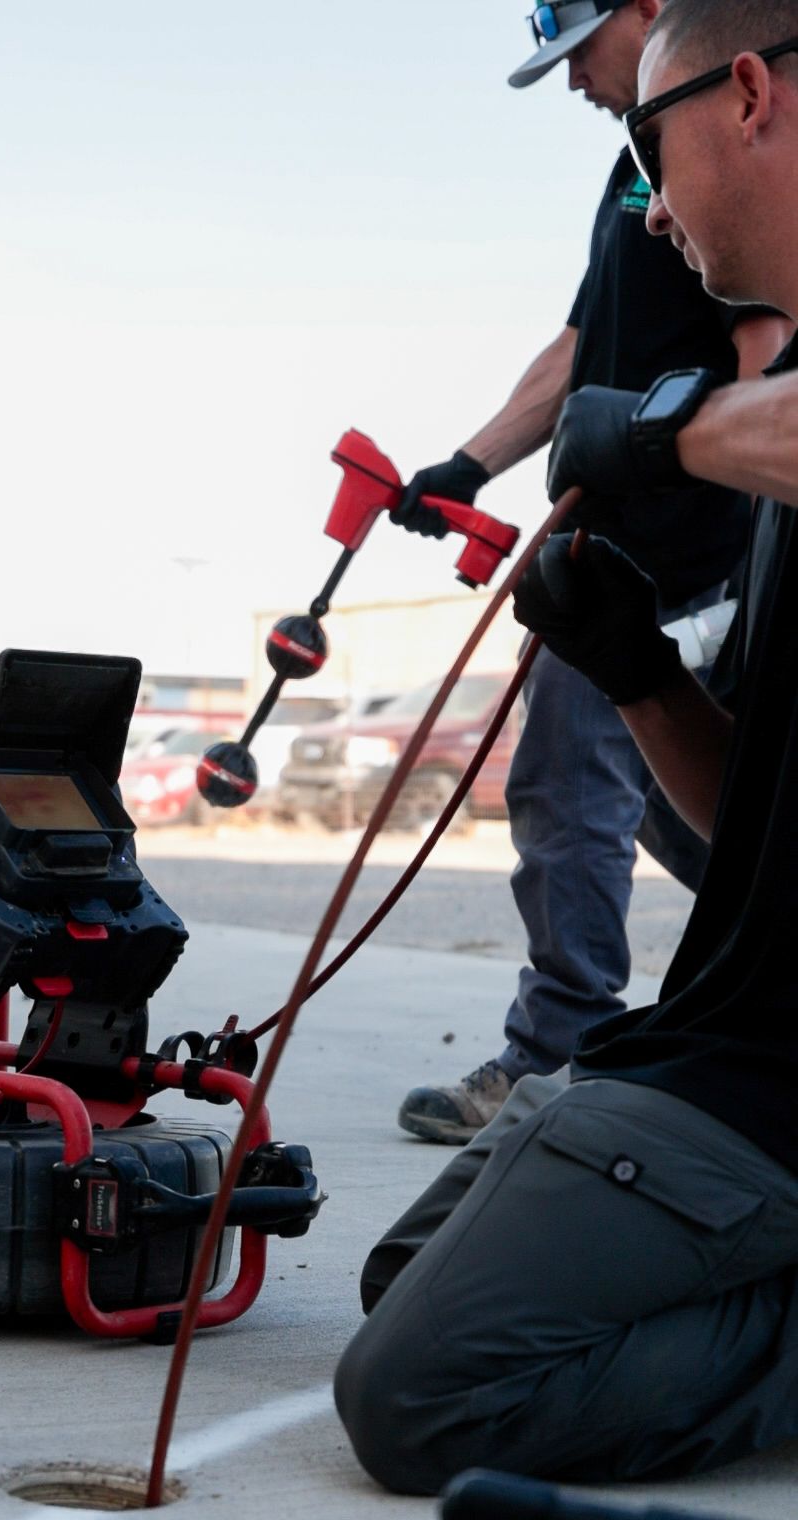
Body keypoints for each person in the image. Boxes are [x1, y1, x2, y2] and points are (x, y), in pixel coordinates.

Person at [335, 0, 798, 1495]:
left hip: (769, 1088)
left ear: (749, 94)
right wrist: (637, 671)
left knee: (423, 1395)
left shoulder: (764, 436)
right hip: (720, 1042)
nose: (649, 206)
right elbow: (749, 825)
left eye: (653, 146)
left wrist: (663, 435)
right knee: (403, 1288)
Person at [392, 0, 787, 1147]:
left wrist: (744, 525)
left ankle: (553, 1047)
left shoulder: (731, 173)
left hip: (685, 558)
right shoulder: (639, 176)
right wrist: (473, 461)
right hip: (612, 548)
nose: (570, 83)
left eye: (580, 53)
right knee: (704, 818)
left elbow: (770, 352)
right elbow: (580, 351)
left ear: (652, 14)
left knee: (571, 794)